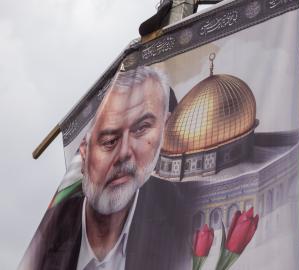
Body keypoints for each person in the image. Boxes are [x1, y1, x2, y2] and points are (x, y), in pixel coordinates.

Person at [20, 66, 191, 270]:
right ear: (84, 151)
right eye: (109, 141)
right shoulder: (48, 238)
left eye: (141, 128)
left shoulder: (187, 222)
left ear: (165, 126)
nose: (124, 153)